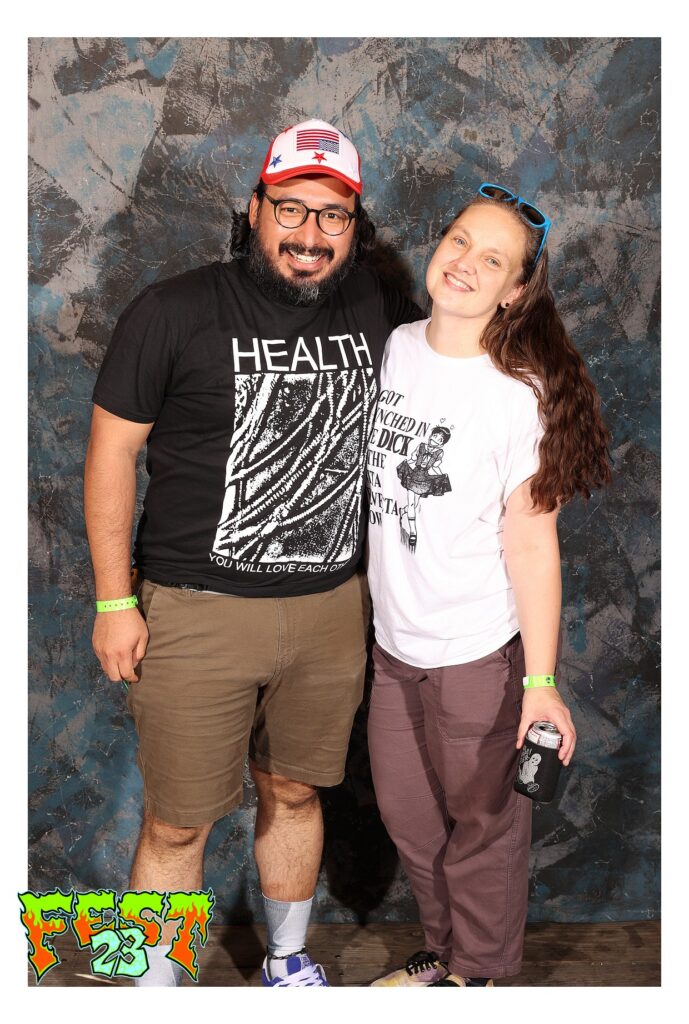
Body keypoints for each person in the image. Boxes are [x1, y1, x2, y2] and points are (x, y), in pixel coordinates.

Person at [83, 118, 422, 987]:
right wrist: (114, 600)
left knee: (296, 792)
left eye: (332, 215)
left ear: (354, 226)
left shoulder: (378, 304)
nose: (309, 235)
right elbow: (111, 455)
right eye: (291, 209)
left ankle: (287, 959)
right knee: (176, 821)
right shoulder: (172, 310)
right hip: (196, 610)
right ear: (255, 208)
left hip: (330, 609)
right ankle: (151, 984)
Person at [365, 183, 611, 987]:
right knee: (410, 822)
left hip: (474, 652)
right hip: (392, 648)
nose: (465, 263)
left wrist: (539, 683)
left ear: (514, 289)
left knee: (483, 827)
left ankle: (477, 977)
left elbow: (532, 545)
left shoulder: (518, 394)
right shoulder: (396, 348)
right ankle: (445, 954)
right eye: (459, 241)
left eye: (493, 259)